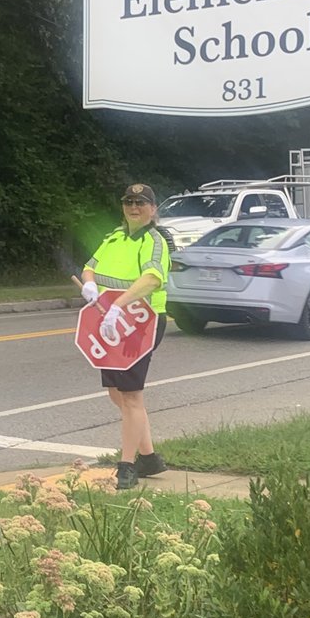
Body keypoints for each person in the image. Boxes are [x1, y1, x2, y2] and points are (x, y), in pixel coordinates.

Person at [81, 184, 170, 490]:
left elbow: (152, 278)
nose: (134, 207)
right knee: (117, 393)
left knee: (131, 396)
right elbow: (90, 267)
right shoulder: (113, 238)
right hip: (110, 323)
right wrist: (89, 284)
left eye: (141, 203)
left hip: (141, 325)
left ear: (152, 209)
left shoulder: (154, 241)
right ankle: (149, 457)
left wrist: (119, 305)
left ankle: (127, 466)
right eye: (129, 202)